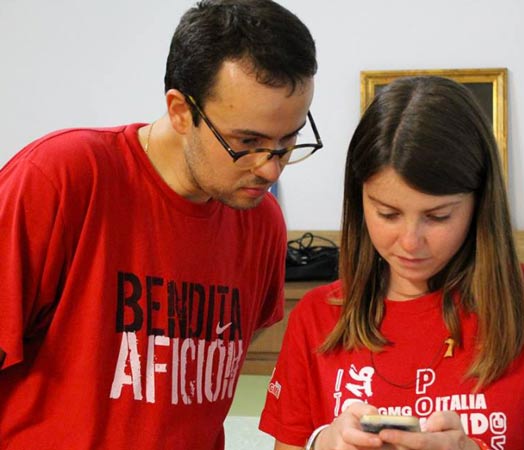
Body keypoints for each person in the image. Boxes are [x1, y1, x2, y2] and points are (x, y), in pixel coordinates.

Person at [0, 1, 320, 449]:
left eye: (288, 141)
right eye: (247, 141)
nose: (270, 169)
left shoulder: (261, 221)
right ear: (180, 111)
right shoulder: (62, 179)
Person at [259, 76, 524, 450]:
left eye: (438, 217)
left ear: (479, 203)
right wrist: (322, 444)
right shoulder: (316, 318)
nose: (410, 242)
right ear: (360, 201)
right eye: (387, 214)